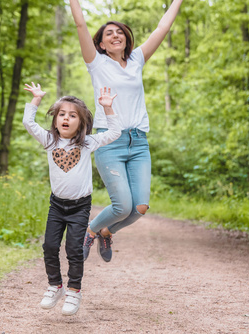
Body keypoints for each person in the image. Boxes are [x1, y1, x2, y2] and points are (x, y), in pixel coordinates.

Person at [69, 0, 184, 262]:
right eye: (108, 33)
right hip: (110, 142)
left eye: (119, 31)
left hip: (139, 143)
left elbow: (162, 28)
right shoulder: (96, 63)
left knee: (139, 208)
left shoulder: (136, 60)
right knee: (122, 205)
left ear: (126, 38)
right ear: (101, 44)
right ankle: (91, 230)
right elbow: (80, 24)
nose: (115, 35)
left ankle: (106, 231)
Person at [23, 82, 121, 316]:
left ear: (82, 122)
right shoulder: (49, 141)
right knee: (49, 245)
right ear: (56, 120)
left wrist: (107, 108)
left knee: (74, 249)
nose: (66, 118)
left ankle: (74, 291)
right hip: (56, 205)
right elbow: (28, 122)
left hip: (79, 207)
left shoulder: (87, 143)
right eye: (62, 114)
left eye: (72, 115)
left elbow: (115, 133)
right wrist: (36, 99)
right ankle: (55, 286)